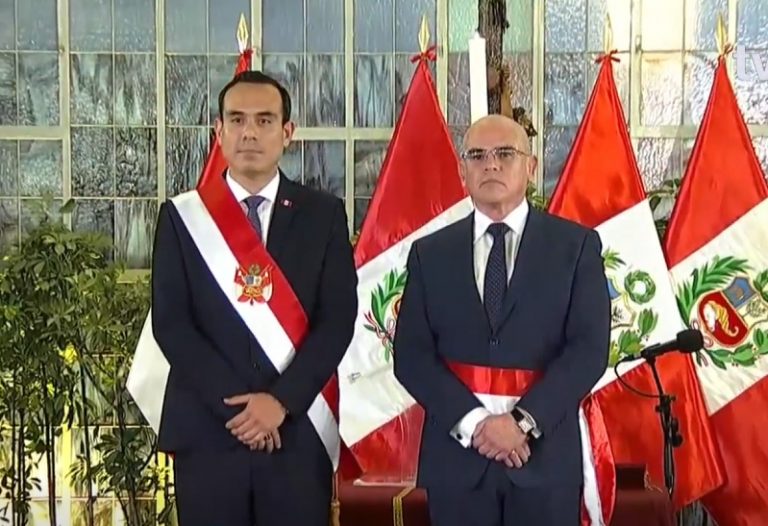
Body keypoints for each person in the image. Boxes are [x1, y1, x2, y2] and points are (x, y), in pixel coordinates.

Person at [150, 70, 358, 526]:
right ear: (218, 131)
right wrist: (243, 410)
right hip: (209, 431)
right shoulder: (182, 218)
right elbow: (172, 323)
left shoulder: (323, 215)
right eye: (237, 119)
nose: (249, 132)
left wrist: (279, 403)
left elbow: (338, 319)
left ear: (287, 132)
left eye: (264, 120)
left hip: (295, 430)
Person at [393, 114, 610, 525]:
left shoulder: (576, 246)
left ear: (531, 167)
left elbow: (589, 350)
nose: (490, 164)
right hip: (458, 465)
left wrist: (522, 422)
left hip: (544, 461)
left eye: (505, 153)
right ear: (463, 171)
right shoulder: (429, 253)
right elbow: (411, 356)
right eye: (477, 155)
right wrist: (477, 424)